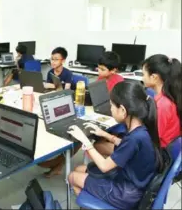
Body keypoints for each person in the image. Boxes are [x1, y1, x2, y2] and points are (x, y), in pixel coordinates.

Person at [68, 81, 163, 209]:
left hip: (125, 193)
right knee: (79, 169)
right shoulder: (143, 128)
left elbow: (104, 166)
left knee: (72, 176)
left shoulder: (135, 138)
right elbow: (128, 147)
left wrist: (84, 140)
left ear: (123, 110)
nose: (110, 108)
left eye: (112, 105)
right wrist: (104, 134)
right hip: (131, 183)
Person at [142, 54, 182, 147]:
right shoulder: (168, 97)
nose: (142, 78)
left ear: (154, 77)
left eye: (143, 74)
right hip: (166, 147)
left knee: (103, 145)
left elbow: (152, 137)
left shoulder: (163, 105)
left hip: (160, 152)